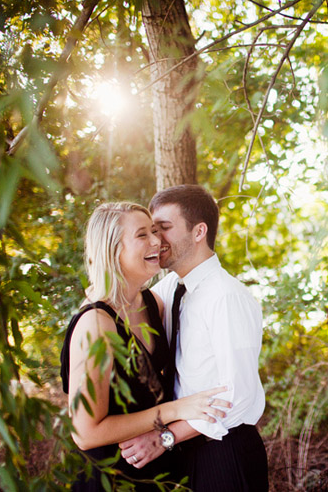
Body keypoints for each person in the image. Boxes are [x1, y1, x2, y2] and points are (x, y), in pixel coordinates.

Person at [60, 202, 231, 491]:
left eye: (155, 230)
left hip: (158, 470)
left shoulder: (154, 304)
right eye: (142, 235)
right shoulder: (97, 324)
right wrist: (174, 411)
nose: (157, 241)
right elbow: (86, 433)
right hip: (112, 476)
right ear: (113, 250)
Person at [118, 185, 269, 491]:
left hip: (225, 452)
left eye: (164, 228)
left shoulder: (227, 296)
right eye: (150, 231)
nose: (157, 240)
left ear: (199, 232)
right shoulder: (172, 287)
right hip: (183, 453)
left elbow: (238, 396)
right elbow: (123, 302)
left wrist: (165, 438)